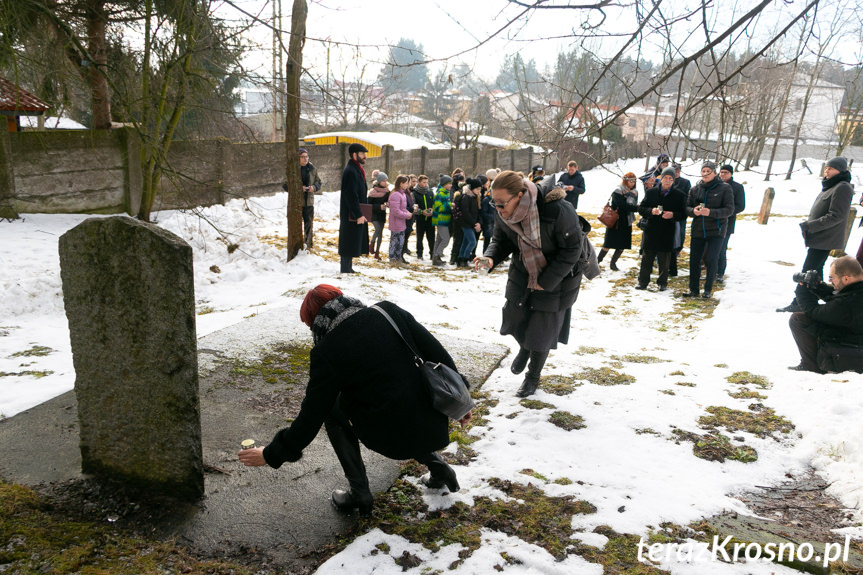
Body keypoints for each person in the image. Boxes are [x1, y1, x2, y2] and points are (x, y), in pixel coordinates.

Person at [238, 285, 471, 515]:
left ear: (315, 322)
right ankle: (440, 469)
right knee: (400, 403)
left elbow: (311, 416)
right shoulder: (388, 311)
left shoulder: (326, 351)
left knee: (331, 410)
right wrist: (462, 402)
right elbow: (438, 354)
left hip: (392, 438)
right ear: (342, 299)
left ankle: (359, 492)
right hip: (433, 421)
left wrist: (270, 455)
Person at [474, 171, 584, 398]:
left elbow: (573, 249)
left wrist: (547, 281)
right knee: (517, 317)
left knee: (542, 330)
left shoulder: (558, 210)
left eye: (502, 203)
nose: (498, 208)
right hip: (523, 272)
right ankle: (525, 346)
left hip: (557, 277)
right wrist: (491, 257)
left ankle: (532, 376)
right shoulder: (503, 212)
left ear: (521, 195)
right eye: (494, 203)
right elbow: (500, 240)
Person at [778, 157, 854, 312]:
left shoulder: (842, 187)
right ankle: (815, 299)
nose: (827, 171)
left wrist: (810, 226)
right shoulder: (832, 185)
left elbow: (836, 216)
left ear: (840, 170)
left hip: (826, 237)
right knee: (815, 271)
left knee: (808, 269)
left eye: (831, 168)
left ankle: (800, 301)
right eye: (826, 168)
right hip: (819, 237)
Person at [788, 256, 863, 373]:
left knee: (798, 319)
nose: (830, 282)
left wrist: (801, 290)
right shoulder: (857, 293)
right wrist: (818, 286)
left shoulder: (844, 304)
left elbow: (813, 311)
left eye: (832, 278)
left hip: (849, 353)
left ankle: (811, 365)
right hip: (855, 340)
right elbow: (838, 297)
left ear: (846, 279)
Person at [684, 161, 734, 299]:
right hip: (698, 230)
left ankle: (707, 290)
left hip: (716, 230)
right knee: (694, 260)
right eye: (703, 171)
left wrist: (711, 212)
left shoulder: (725, 188)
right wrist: (693, 211)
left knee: (711, 259)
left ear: (715, 173)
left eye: (708, 171)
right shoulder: (695, 189)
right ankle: (693, 289)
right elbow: (687, 208)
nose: (705, 174)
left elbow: (729, 210)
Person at [636, 167, 686, 291]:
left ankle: (662, 283)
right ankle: (643, 282)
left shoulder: (679, 195)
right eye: (665, 178)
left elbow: (684, 214)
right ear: (661, 178)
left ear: (674, 180)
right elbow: (641, 208)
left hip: (667, 230)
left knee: (665, 260)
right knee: (647, 258)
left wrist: (673, 215)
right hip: (651, 229)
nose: (667, 181)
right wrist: (651, 211)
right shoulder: (651, 192)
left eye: (670, 178)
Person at [338, 143, 370, 273]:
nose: (365, 156)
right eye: (362, 154)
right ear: (354, 155)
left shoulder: (356, 169)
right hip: (350, 213)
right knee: (348, 239)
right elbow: (351, 195)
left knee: (352, 239)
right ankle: (345, 269)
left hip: (354, 212)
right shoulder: (351, 171)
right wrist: (358, 214)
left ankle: (348, 267)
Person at [597, 173, 639, 271]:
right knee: (608, 244)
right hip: (615, 221)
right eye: (630, 181)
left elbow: (632, 205)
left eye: (634, 181)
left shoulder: (634, 192)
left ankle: (613, 263)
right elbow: (621, 205)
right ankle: (597, 261)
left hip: (626, 220)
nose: (632, 183)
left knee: (622, 245)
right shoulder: (618, 191)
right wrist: (636, 208)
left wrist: (635, 208)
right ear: (625, 180)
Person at [717, 164, 746, 282]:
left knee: (721, 247)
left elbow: (741, 205)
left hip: (727, 221)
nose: (723, 174)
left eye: (726, 172)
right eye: (721, 172)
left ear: (731, 174)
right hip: (712, 221)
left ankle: (720, 272)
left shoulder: (737, 187)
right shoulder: (715, 185)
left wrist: (726, 212)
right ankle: (711, 270)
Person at [298, 148, 321, 250]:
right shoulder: (294, 169)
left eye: (306, 156)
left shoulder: (312, 169)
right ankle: (298, 245)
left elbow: (319, 182)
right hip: (297, 202)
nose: (305, 159)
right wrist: (298, 188)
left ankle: (308, 245)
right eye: (302, 157)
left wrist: (314, 187)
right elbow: (286, 185)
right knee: (297, 225)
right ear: (298, 158)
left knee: (309, 224)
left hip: (309, 201)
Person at [671, 163, 692, 277]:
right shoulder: (667, 180)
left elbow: (689, 196)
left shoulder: (685, 182)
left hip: (681, 211)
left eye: (678, 171)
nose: (676, 173)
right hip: (669, 211)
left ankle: (678, 249)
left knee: (681, 232)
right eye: (675, 171)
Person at [387, 175, 414, 265]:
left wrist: (407, 212)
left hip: (401, 223)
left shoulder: (402, 194)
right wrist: (406, 215)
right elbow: (396, 211)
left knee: (401, 242)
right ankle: (392, 259)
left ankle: (398, 258)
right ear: (401, 183)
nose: (407, 185)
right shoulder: (395, 194)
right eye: (406, 183)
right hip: (395, 223)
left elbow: (402, 208)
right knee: (394, 242)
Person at [457, 177, 482, 267]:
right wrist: (474, 223)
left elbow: (477, 212)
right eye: (477, 189)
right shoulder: (467, 198)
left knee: (466, 242)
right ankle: (465, 258)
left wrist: (478, 222)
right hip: (466, 224)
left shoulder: (475, 197)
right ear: (472, 189)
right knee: (472, 242)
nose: (479, 191)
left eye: (480, 189)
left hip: (471, 224)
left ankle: (460, 258)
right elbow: (465, 212)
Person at [412, 175, 436, 260]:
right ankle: (419, 254)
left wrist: (432, 209)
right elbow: (413, 207)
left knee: (431, 238)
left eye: (426, 182)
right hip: (420, 219)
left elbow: (434, 203)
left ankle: (432, 254)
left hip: (430, 219)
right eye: (423, 182)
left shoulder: (430, 192)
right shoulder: (414, 193)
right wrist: (422, 212)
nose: (425, 184)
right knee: (419, 238)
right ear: (419, 182)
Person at [432, 175, 453, 266]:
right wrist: (449, 205)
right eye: (449, 184)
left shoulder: (446, 193)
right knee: (446, 239)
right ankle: (437, 254)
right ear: (444, 184)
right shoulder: (440, 194)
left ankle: (435, 258)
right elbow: (437, 208)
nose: (451, 185)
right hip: (441, 220)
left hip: (446, 219)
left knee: (439, 239)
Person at [368, 172, 390, 260]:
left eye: (386, 180)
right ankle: (372, 243)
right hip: (374, 214)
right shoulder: (372, 192)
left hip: (382, 214)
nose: (385, 182)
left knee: (380, 234)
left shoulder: (387, 191)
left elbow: (389, 200)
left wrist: (387, 204)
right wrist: (378, 206)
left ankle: (377, 252)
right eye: (383, 181)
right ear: (379, 181)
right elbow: (368, 205)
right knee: (377, 229)